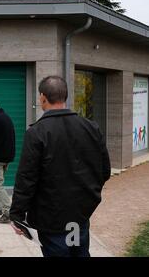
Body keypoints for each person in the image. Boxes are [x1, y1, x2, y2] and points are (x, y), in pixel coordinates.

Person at [10, 76, 111, 257]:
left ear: (42, 97)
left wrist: (16, 214)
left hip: (51, 220)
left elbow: (27, 178)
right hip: (79, 216)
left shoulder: (36, 132)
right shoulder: (91, 127)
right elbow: (104, 171)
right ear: (65, 96)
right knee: (79, 254)